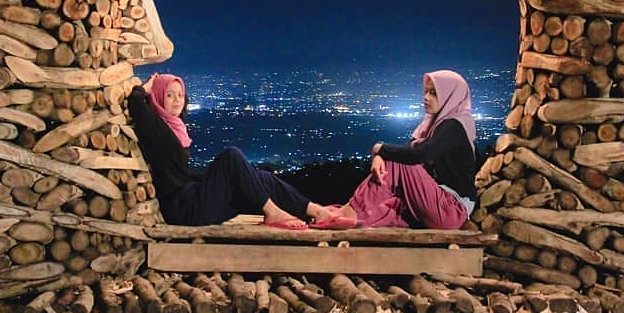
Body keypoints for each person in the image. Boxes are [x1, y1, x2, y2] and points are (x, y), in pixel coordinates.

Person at [125, 72, 336, 229]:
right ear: (158, 98)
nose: (177, 99)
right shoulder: (158, 129)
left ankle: (314, 210)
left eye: (180, 94)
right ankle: (272, 213)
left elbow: (179, 174)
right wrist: (146, 87)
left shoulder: (176, 128)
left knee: (260, 176)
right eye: (169, 95)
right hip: (185, 210)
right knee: (231, 157)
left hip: (194, 199)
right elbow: (136, 104)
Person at [312, 69, 477, 230]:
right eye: (425, 92)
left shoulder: (455, 125)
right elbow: (406, 152)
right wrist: (379, 156)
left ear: (450, 96)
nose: (426, 98)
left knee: (399, 162)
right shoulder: (432, 125)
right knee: (385, 209)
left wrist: (379, 149)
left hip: (452, 209)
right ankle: (338, 216)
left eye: (434, 93)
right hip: (434, 203)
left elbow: (416, 155)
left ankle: (347, 213)